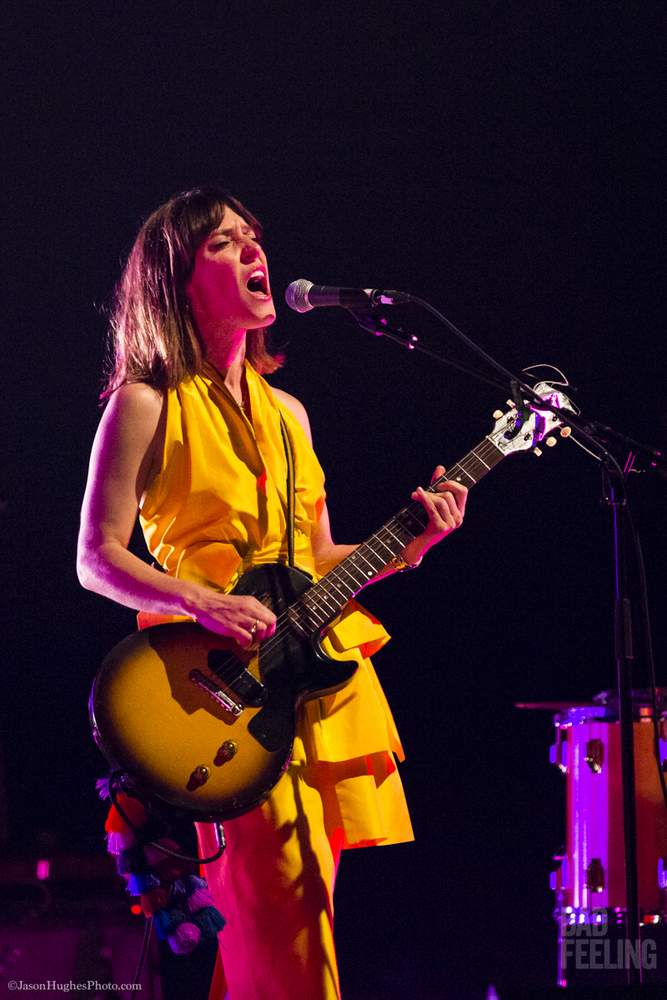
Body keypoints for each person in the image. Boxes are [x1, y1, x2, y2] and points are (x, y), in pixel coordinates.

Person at [77, 185, 468, 1000]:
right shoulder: (144, 402)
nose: (254, 251)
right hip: (217, 694)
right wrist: (202, 600)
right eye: (224, 242)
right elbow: (97, 557)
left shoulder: (289, 412)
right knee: (288, 932)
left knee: (287, 923)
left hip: (312, 681)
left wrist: (413, 545)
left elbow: (318, 558)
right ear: (175, 276)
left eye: (254, 237)